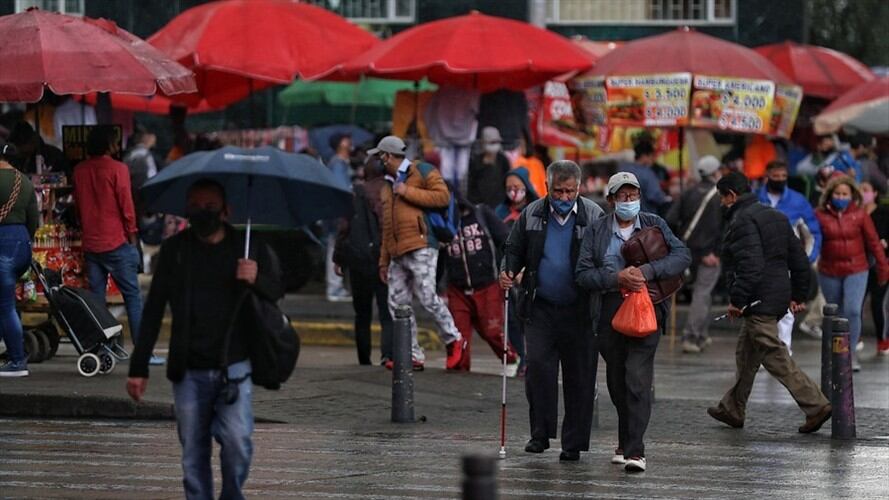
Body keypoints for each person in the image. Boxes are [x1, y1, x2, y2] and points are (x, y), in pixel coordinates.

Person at [127, 178, 283, 500]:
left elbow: (276, 291)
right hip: (189, 370)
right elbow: (154, 309)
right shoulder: (175, 251)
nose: (203, 213)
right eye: (195, 207)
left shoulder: (247, 248)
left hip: (235, 367)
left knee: (238, 442)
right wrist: (138, 366)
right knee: (193, 454)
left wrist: (256, 278)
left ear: (226, 210)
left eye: (210, 207)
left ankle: (231, 494)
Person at [575, 172, 690, 473]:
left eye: (633, 195)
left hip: (648, 306)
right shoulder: (597, 230)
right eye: (623, 196)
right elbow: (583, 273)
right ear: (611, 199)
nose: (629, 201)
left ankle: (636, 451)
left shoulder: (655, 224)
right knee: (617, 380)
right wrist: (616, 278)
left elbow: (682, 255)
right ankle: (624, 440)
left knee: (637, 378)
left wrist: (649, 271)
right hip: (610, 308)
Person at [707, 172, 832, 434]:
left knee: (774, 355)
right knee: (746, 353)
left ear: (731, 195)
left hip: (758, 298)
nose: (721, 203)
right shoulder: (775, 215)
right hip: (776, 293)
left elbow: (749, 266)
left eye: (722, 197)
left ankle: (816, 404)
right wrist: (799, 294)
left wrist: (737, 300)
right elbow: (798, 258)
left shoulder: (742, 221)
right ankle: (732, 408)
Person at [500, 160, 603, 462]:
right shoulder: (532, 213)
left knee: (579, 377)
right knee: (539, 371)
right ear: (547, 187)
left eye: (569, 191)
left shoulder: (593, 215)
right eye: (558, 190)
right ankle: (540, 434)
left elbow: (605, 254)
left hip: (580, 309)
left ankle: (573, 444)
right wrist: (506, 271)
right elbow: (513, 249)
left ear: (578, 189)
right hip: (541, 306)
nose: (563, 197)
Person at [372, 135, 466, 371]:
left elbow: (442, 196)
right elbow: (386, 226)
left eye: (380, 156)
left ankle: (454, 338)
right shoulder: (385, 186)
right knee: (397, 303)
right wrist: (383, 261)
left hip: (422, 244)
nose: (379, 161)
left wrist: (406, 191)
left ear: (388, 156)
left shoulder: (421, 171)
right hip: (396, 251)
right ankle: (412, 354)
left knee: (426, 296)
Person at [73, 127, 164, 365]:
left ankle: (102, 350)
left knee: (97, 301)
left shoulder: (79, 170)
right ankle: (144, 353)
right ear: (109, 145)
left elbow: (79, 205)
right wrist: (133, 236)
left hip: (92, 244)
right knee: (132, 297)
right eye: (114, 143)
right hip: (116, 242)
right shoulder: (118, 169)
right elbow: (126, 206)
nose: (117, 147)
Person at [814, 176, 889, 371]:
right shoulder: (820, 215)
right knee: (835, 313)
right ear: (830, 195)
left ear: (852, 196)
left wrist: (883, 268)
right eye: (837, 194)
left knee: (853, 310)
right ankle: (835, 353)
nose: (841, 197)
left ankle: (850, 353)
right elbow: (814, 240)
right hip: (829, 271)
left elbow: (873, 242)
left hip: (857, 269)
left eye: (845, 194)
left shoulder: (860, 215)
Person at [444, 190, 519, 373]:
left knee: (492, 331)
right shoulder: (441, 222)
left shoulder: (481, 214)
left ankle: (510, 360)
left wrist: (512, 266)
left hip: (487, 285)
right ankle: (460, 374)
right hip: (457, 289)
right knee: (458, 336)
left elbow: (506, 238)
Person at [757, 160, 823, 353]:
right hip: (760, 263)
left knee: (786, 309)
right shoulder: (755, 199)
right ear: (767, 176)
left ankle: (784, 350)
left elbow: (812, 233)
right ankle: (764, 349)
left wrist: (807, 259)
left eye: (783, 177)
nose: (779, 180)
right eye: (775, 176)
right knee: (762, 308)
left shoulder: (798, 201)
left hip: (786, 263)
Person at [333, 156, 394, 366]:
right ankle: (388, 355)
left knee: (362, 313)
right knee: (387, 312)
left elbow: (343, 228)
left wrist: (338, 258)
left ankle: (363, 358)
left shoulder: (354, 193)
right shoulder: (389, 191)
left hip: (358, 261)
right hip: (382, 259)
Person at [665, 156, 723, 353]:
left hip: (686, 250)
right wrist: (711, 251)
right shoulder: (719, 196)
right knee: (702, 293)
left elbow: (671, 220)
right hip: (709, 254)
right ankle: (691, 336)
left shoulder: (688, 193)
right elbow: (720, 228)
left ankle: (702, 333)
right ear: (716, 171)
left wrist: (678, 243)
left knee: (702, 293)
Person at [0, 141, 39, 377]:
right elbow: (33, 220)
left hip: (2, 243)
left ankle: (17, 360)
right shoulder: (23, 181)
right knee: (5, 304)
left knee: (5, 306)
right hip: (21, 243)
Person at [495, 168, 539, 373]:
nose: (513, 192)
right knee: (511, 319)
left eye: (517, 187)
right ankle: (523, 357)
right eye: (509, 188)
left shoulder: (537, 210)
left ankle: (533, 358)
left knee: (529, 318)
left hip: (530, 275)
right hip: (507, 274)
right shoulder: (499, 213)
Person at [859, 181, 889, 355]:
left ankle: (882, 339)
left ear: (875, 193)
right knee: (857, 304)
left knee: (877, 303)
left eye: (866, 190)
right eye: (860, 190)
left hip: (880, 264)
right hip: (860, 265)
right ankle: (856, 337)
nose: (863, 193)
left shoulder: (884, 213)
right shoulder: (855, 214)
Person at [325, 134, 353, 303]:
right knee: (335, 249)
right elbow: (341, 190)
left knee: (336, 248)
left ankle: (336, 287)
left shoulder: (340, 164)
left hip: (338, 214)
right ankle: (334, 288)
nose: (350, 143)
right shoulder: (337, 164)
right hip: (338, 214)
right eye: (346, 140)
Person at [618, 141, 668, 214]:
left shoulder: (622, 169)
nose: (653, 160)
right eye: (651, 156)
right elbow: (655, 196)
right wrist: (665, 197)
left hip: (622, 216)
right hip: (645, 217)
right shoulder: (647, 173)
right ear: (644, 156)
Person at [468, 126, 511, 210]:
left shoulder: (503, 160)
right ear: (483, 143)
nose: (494, 145)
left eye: (496, 142)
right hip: (480, 205)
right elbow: (471, 186)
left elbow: (508, 181)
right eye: (492, 142)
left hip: (500, 205)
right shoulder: (476, 162)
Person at [797, 134, 861, 182]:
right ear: (819, 145)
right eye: (824, 144)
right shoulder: (812, 156)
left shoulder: (837, 157)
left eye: (829, 145)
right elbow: (800, 168)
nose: (826, 147)